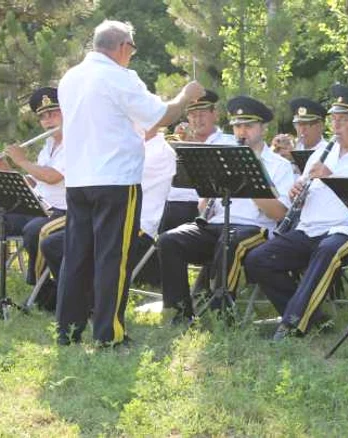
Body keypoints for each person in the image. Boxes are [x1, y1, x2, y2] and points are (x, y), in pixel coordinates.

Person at [56, 19, 205, 346]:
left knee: (76, 255)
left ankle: (67, 330)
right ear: (123, 47)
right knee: (113, 258)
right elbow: (161, 117)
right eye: (132, 50)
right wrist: (185, 96)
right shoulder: (117, 76)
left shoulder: (70, 77)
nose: (132, 56)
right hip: (115, 181)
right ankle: (109, 334)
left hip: (79, 179)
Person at [244, 84, 348, 341]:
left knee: (327, 251)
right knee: (258, 259)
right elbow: (305, 195)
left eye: (342, 120)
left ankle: (292, 325)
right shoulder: (322, 154)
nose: (335, 127)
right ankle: (314, 319)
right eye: (334, 119)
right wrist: (296, 195)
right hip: (310, 228)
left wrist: (333, 176)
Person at [157, 96, 294, 324]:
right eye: (238, 126)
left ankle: (221, 312)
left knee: (229, 241)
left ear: (264, 128)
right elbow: (204, 209)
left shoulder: (280, 165)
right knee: (168, 240)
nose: (242, 131)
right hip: (216, 225)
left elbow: (279, 214)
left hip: (255, 230)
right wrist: (209, 192)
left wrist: (251, 178)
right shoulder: (223, 157)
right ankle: (182, 312)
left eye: (248, 126)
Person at [39, 126, 177, 305]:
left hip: (137, 227)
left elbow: (115, 183)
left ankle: (86, 303)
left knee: (59, 244)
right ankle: (77, 300)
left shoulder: (160, 152)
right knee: (53, 243)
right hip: (109, 220)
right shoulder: (127, 145)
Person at [0, 86, 66, 296]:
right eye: (43, 117)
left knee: (34, 230)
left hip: (63, 212)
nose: (48, 120)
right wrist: (9, 170)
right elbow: (37, 182)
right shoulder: (48, 145)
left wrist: (21, 160)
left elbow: (52, 176)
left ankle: (43, 291)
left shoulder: (77, 143)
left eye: (54, 113)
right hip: (37, 209)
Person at [161, 90, 237, 233]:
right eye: (193, 115)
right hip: (171, 206)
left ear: (215, 114)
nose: (197, 120)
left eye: (202, 114)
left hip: (209, 209)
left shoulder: (230, 143)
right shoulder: (176, 143)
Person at [271, 97, 328, 166]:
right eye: (298, 124)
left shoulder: (328, 152)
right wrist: (276, 155)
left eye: (307, 124)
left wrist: (294, 159)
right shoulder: (294, 147)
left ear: (320, 126)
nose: (302, 129)